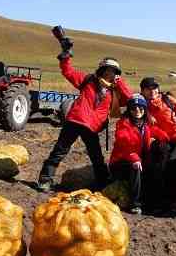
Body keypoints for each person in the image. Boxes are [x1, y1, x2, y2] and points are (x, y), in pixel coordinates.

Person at [36, 43, 132, 192]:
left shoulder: (115, 92)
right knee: (59, 151)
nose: (110, 74)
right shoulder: (88, 80)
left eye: (113, 72)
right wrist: (65, 56)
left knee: (96, 157)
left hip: (92, 127)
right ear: (101, 70)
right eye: (107, 70)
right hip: (75, 121)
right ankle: (45, 180)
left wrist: (120, 83)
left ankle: (103, 183)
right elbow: (68, 72)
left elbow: (130, 99)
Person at [109, 94, 169, 215]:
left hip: (137, 159)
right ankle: (135, 204)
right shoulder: (123, 124)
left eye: (140, 108)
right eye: (133, 108)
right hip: (121, 163)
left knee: (154, 167)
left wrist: (164, 138)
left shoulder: (145, 124)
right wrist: (134, 158)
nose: (137, 110)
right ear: (129, 110)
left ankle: (153, 202)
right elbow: (123, 143)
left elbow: (155, 131)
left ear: (145, 109)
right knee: (135, 167)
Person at [139, 77, 176, 210]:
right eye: (148, 88)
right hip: (162, 139)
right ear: (142, 91)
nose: (152, 91)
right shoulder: (140, 107)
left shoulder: (168, 99)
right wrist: (147, 113)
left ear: (158, 89)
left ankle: (172, 199)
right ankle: (159, 198)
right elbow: (141, 126)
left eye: (154, 88)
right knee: (157, 164)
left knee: (175, 163)